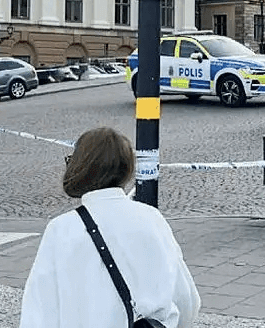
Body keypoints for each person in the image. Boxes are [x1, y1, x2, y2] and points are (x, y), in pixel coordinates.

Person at [20, 128, 200, 327]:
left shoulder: (62, 229)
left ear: (80, 166)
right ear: (127, 169)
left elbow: (39, 312)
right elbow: (187, 301)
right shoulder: (152, 218)